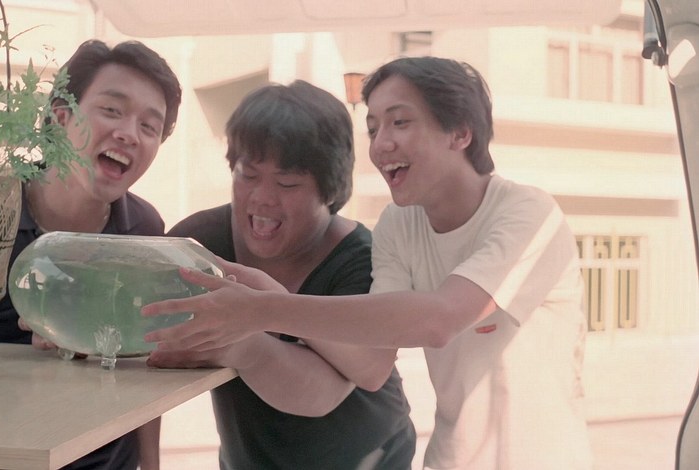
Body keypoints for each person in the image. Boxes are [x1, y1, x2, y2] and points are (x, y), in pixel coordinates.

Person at [143, 57, 592, 470]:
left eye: (400, 121)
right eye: (373, 127)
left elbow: (440, 320)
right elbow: (374, 357)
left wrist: (259, 309)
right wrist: (264, 299)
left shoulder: (529, 214)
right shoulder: (399, 222)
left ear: (460, 132)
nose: (380, 145)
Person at [0, 39, 182, 470]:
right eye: (112, 110)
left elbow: (144, 371)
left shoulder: (144, 229)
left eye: (149, 126)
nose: (129, 134)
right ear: (61, 117)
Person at [148, 80, 416, 469]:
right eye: (248, 174)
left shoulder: (362, 259)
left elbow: (352, 378)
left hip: (370, 458)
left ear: (330, 190)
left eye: (287, 182)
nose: (262, 197)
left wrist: (262, 306)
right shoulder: (200, 243)